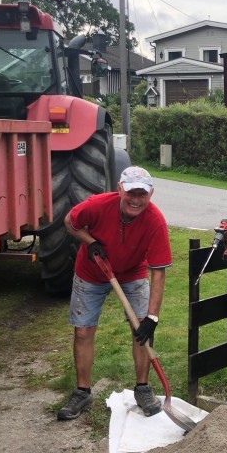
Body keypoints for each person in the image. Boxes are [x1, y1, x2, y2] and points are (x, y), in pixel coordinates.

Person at [57, 166, 172, 421]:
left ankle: (142, 388)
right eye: (131, 192)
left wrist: (152, 319)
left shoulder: (155, 221)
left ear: (151, 194)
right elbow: (70, 222)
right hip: (92, 271)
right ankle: (83, 391)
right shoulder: (97, 205)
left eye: (142, 194)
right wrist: (90, 242)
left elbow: (158, 273)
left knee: (141, 329)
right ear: (120, 189)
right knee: (83, 330)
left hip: (132, 272)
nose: (136, 199)